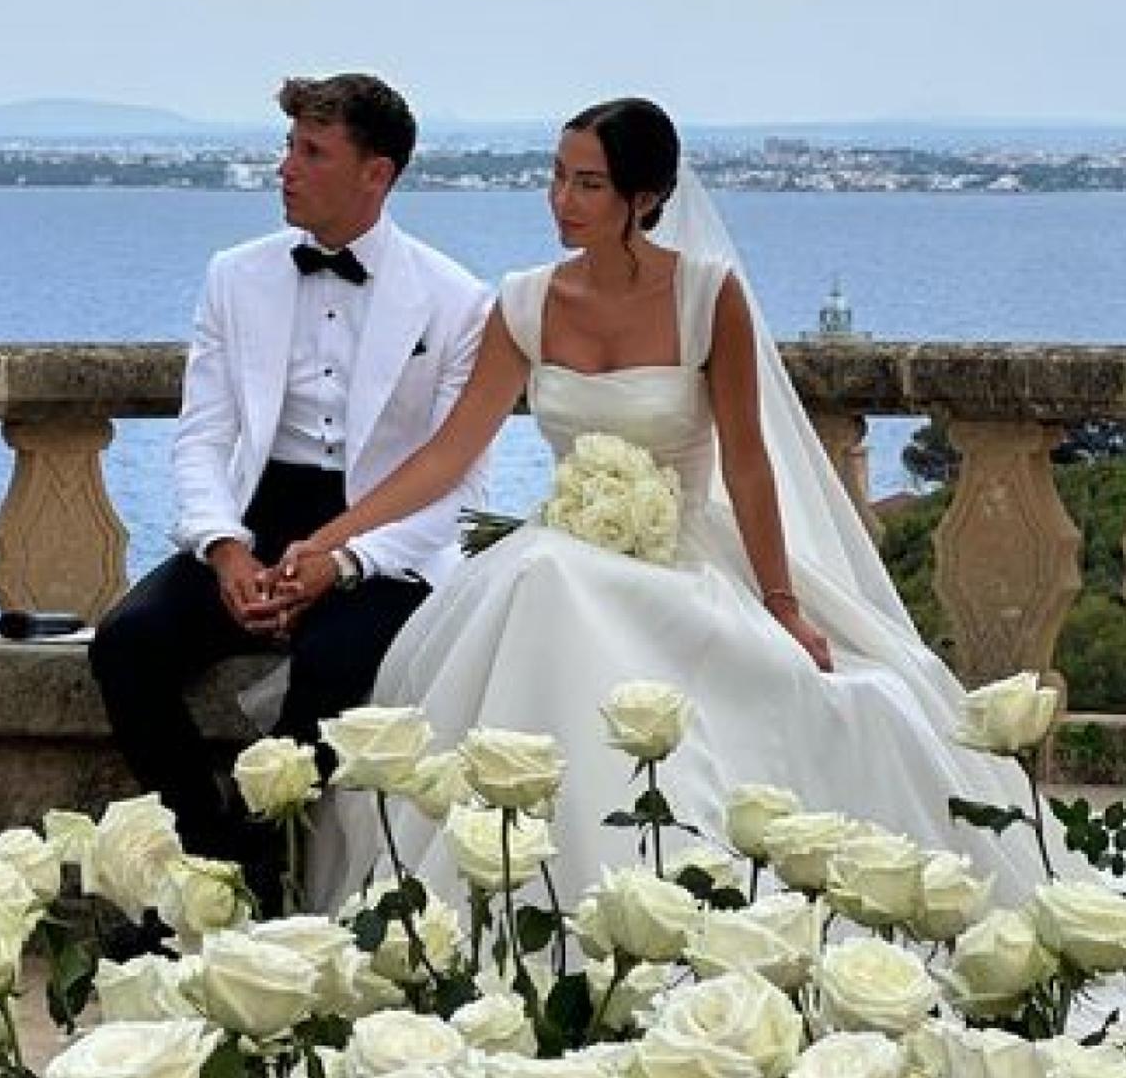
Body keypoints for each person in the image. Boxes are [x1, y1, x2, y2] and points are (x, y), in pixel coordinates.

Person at [279, 95, 1088, 912]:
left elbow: (746, 460)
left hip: (686, 555)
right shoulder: (523, 301)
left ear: (646, 198)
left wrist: (782, 604)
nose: (563, 201)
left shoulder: (708, 296)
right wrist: (327, 542)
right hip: (561, 551)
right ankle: (525, 886)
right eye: (557, 178)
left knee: (858, 699)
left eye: (588, 185)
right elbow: (449, 453)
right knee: (544, 583)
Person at [88, 73, 490, 898]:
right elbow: (202, 437)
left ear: (375, 174)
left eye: (312, 152)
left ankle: (282, 869)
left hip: (381, 537)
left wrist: (340, 563)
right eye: (287, 147)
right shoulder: (234, 276)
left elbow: (455, 488)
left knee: (336, 667)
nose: (285, 168)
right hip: (255, 516)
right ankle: (212, 860)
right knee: (127, 642)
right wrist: (227, 550)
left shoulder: (458, 301)